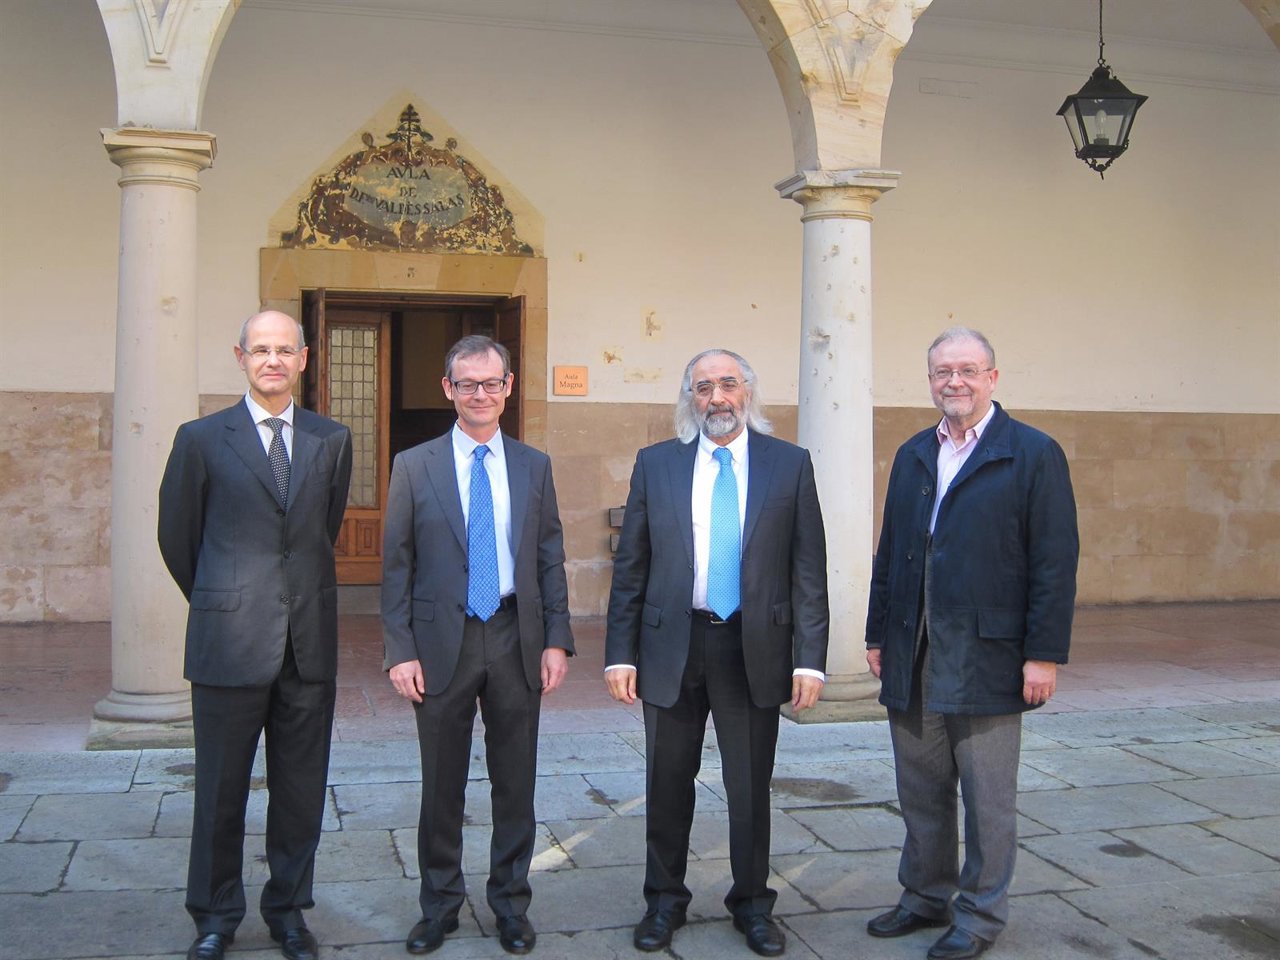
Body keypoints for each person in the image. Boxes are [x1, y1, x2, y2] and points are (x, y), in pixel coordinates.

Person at [605, 348, 829, 957]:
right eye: (703, 387)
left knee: (750, 786)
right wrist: (618, 653)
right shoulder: (657, 465)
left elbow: (809, 569)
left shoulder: (789, 465)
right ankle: (663, 902)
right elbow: (631, 567)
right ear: (690, 399)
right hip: (671, 645)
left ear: (749, 392)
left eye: (728, 384)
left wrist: (810, 657)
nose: (717, 398)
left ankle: (753, 905)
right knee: (667, 781)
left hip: (753, 647)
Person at [864, 327, 1079, 960]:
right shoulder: (912, 454)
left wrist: (1043, 653)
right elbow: (891, 553)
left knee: (987, 798)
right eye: (940, 372)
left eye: (966, 370)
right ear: (929, 380)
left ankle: (980, 916)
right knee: (921, 789)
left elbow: (1054, 561)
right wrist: (879, 632)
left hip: (990, 654)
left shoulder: (1032, 453)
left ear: (992, 377)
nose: (952, 382)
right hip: (915, 650)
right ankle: (925, 895)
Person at [158, 310, 354, 960]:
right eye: (260, 349)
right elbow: (178, 538)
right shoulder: (201, 438)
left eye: (285, 350)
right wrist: (223, 599)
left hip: (308, 646)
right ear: (240, 355)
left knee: (300, 791)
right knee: (220, 791)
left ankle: (289, 911)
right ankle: (214, 915)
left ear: (304, 358)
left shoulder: (332, 439)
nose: (273, 359)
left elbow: (319, 533)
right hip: (227, 644)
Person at [381, 334, 574, 956]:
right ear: (448, 390)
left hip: (517, 636)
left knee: (515, 780)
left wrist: (557, 641)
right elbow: (397, 566)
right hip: (443, 642)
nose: (481, 394)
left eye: (492, 383)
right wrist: (399, 649)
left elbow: (549, 557)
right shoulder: (414, 466)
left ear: (509, 387)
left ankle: (511, 904)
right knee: (442, 783)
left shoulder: (533, 465)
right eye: (468, 384)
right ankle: (438, 906)